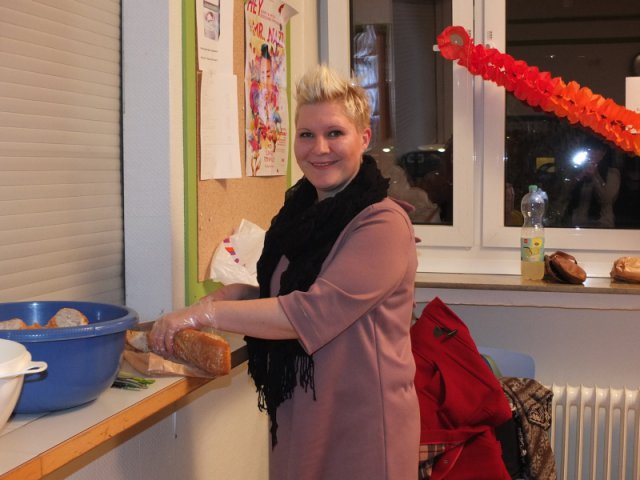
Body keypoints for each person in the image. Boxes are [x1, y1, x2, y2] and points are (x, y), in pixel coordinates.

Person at [149, 64, 420, 479]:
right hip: (299, 409)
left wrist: (205, 315)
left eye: (335, 133)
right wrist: (224, 296)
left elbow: (308, 312)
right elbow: (277, 293)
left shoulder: (382, 224)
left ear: (364, 138)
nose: (319, 148)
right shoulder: (301, 215)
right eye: (307, 134)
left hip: (361, 423)